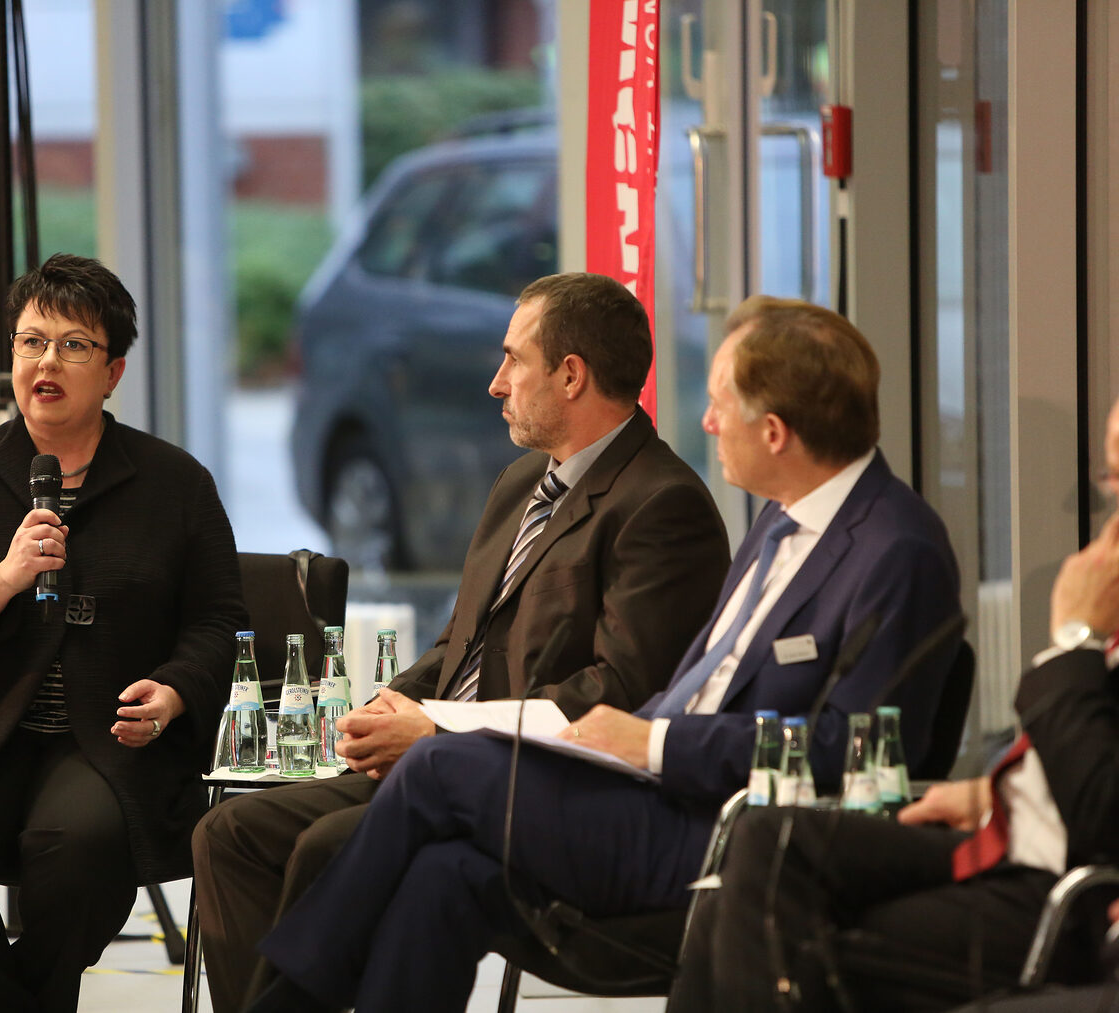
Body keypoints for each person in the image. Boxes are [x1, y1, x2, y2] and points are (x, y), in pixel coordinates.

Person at [246, 295, 963, 1013]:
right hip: (648, 789)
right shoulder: (782, 518)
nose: (707, 421)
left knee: (436, 765)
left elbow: (854, 748)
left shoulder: (896, 552)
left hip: (726, 831)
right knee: (442, 875)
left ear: (774, 431)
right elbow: (706, 683)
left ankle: (283, 1005)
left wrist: (655, 742)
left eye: (720, 405)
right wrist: (623, 744)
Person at [193, 272, 732, 1011]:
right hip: (433, 755)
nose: (494, 382)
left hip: (535, 786)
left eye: (514, 360)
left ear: (571, 375)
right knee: (231, 832)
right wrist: (392, 707)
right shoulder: (520, 482)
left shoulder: (662, 505)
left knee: (324, 846)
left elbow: (619, 692)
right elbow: (460, 645)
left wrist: (436, 730)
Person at [0, 253, 246, 1013]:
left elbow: (218, 620)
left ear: (114, 371)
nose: (47, 361)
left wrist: (173, 691)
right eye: (31, 341)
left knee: (80, 851)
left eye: (74, 345)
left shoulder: (176, 484)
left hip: (108, 738)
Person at [664, 396, 1119, 1013]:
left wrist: (1075, 642)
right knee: (764, 844)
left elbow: (1104, 810)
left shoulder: (900, 543)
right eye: (1109, 477)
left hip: (1066, 887)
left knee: (769, 919)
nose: (1109, 513)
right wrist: (992, 792)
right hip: (1012, 831)